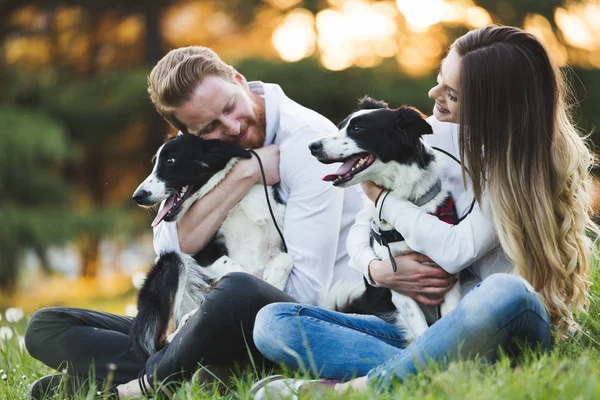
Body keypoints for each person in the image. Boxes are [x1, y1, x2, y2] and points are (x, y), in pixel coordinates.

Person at [25, 46, 428, 399]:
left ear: (239, 80)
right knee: (46, 327)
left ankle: (147, 383)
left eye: (230, 108)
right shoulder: (218, 159)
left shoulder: (307, 142)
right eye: (210, 128)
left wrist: (212, 314)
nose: (232, 128)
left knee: (235, 287)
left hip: (301, 318)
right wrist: (247, 172)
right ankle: (193, 373)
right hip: (213, 319)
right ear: (189, 134)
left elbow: (304, 291)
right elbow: (171, 254)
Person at [250, 24, 599, 398]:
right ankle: (443, 372)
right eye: (438, 80)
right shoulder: (426, 134)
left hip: (505, 324)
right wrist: (377, 268)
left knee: (504, 290)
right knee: (274, 322)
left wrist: (384, 202)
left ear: (491, 110)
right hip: (433, 329)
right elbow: (361, 225)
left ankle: (357, 388)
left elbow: (455, 252)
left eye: (452, 93)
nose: (433, 94)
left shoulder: (519, 168)